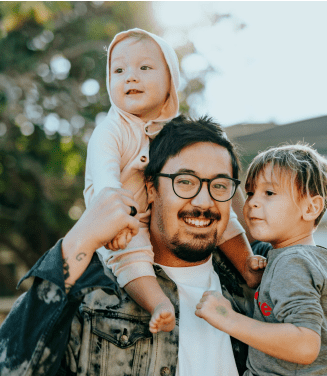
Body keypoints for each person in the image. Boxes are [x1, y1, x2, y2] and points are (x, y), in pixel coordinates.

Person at [0, 115, 258, 376]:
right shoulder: (93, 292)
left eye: (220, 186)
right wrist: (80, 238)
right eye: (185, 182)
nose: (203, 202)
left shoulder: (260, 286)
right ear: (151, 188)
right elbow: (11, 369)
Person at [83, 28, 263, 334]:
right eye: (119, 70)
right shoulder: (110, 131)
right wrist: (116, 222)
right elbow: (105, 182)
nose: (131, 77)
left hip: (152, 214)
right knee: (131, 257)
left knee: (223, 214)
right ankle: (158, 303)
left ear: (170, 83)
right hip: (120, 221)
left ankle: (248, 265)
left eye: (144, 68)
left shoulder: (173, 133)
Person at [196, 143, 327, 375]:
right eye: (250, 193)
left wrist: (228, 319)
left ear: (310, 208)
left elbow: (305, 345)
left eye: (269, 193)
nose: (252, 203)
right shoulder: (296, 259)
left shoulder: (293, 263)